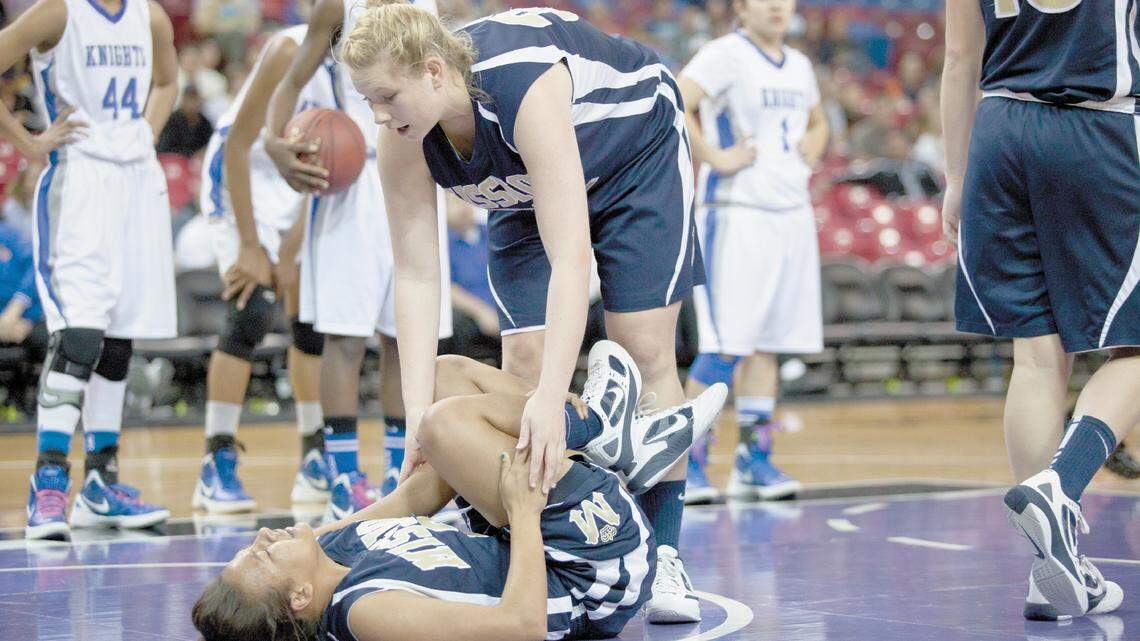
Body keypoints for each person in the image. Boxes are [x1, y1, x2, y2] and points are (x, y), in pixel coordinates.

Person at [340, 4, 706, 622]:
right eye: (366, 100)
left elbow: (572, 257)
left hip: (634, 149)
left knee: (641, 349)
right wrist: (417, 423)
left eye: (384, 97)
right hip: (529, 177)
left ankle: (664, 550)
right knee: (525, 362)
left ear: (434, 72)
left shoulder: (523, 85)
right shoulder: (402, 131)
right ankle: (547, 527)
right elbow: (416, 272)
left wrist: (553, 401)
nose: (376, 114)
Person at [191, 340, 728, 641]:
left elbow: (411, 502)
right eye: (261, 558)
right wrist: (517, 511)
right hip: (590, 572)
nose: (263, 536)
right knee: (441, 425)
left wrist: (445, 457)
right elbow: (521, 626)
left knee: (442, 376)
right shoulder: (363, 612)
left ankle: (593, 432)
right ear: (300, 598)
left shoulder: (325, 555)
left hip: (533, 530)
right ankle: (594, 431)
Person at [940, 0, 1137, 621]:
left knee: (1036, 358)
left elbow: (958, 61)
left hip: (999, 133)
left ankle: (1048, 570)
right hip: (1098, 130)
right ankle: (1061, 485)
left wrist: (954, 177)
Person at [264, 0, 452, 522]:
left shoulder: (426, 7)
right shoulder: (336, 6)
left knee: (407, 336)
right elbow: (289, 82)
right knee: (345, 339)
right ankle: (344, 478)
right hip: (349, 180)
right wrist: (273, 142)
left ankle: (401, 472)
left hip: (417, 172)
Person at [0, 0, 179, 540]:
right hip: (80, 179)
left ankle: (101, 484)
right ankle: (49, 483)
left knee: (117, 343)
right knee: (79, 337)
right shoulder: (57, 12)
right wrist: (28, 141)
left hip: (137, 182)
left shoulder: (151, 16)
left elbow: (168, 83)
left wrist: (145, 132)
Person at [679, 0, 828, 505]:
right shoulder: (724, 54)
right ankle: (688, 466)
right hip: (736, 209)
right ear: (740, 7)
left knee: (767, 344)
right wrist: (716, 156)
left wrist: (816, 140)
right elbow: (676, 100)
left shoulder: (801, 64)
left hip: (791, 212)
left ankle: (752, 462)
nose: (777, 6)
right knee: (726, 343)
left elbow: (818, 122)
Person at [191, 13, 339, 515]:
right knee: (250, 308)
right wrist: (254, 247)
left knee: (309, 313)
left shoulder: (366, 57)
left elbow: (327, 167)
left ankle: (315, 453)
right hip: (240, 177)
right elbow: (236, 146)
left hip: (299, 187)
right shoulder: (287, 50)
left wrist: (291, 249)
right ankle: (216, 460)